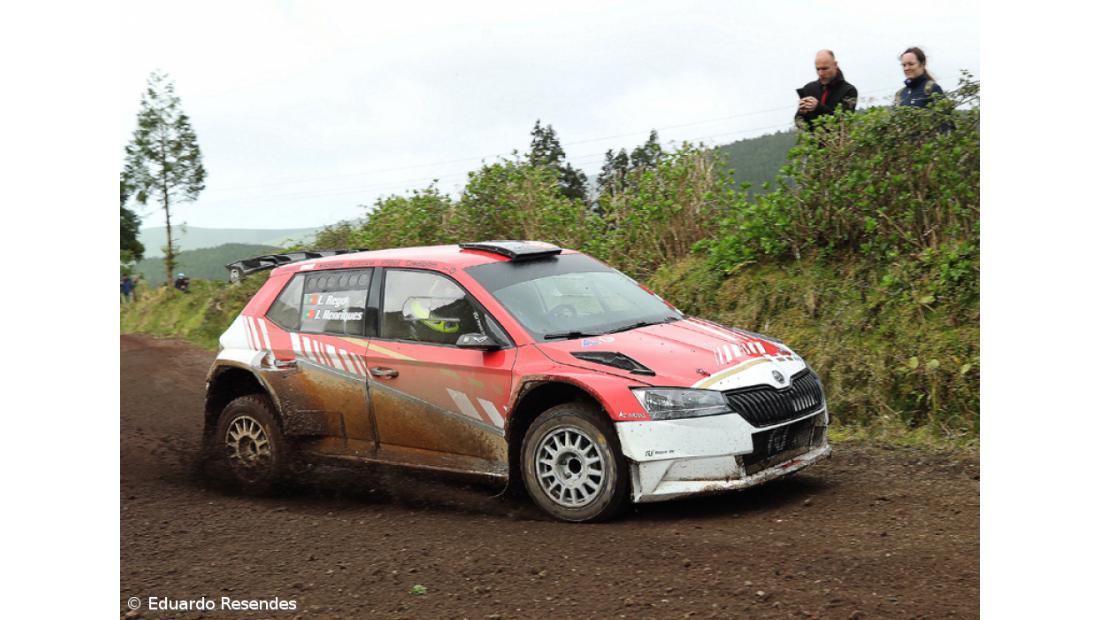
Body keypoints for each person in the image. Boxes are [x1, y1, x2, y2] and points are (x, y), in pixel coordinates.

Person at [795, 49, 858, 130]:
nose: (821, 73)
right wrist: (802, 114)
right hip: (813, 141)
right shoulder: (809, 89)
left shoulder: (849, 91)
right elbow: (799, 124)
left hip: (838, 141)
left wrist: (818, 107)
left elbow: (842, 125)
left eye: (825, 69)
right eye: (818, 69)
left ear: (835, 65)